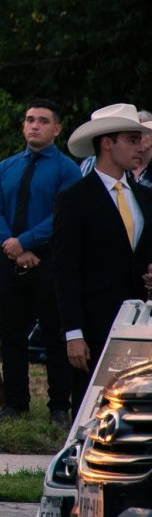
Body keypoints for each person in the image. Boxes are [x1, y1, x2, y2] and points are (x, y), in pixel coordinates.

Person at [0, 99, 80, 426]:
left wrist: (25, 242)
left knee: (55, 334)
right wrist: (13, 246)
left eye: (42, 120)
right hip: (9, 257)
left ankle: (58, 408)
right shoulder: (5, 168)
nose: (34, 125)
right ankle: (15, 403)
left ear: (57, 129)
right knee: (11, 332)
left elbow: (63, 215)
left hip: (50, 259)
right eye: (29, 120)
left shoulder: (67, 169)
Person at [54, 103, 152, 415]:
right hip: (95, 323)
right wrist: (73, 333)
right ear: (107, 144)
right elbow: (65, 269)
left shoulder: (145, 198)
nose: (141, 147)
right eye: (132, 140)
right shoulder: (74, 199)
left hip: (140, 322)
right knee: (90, 407)